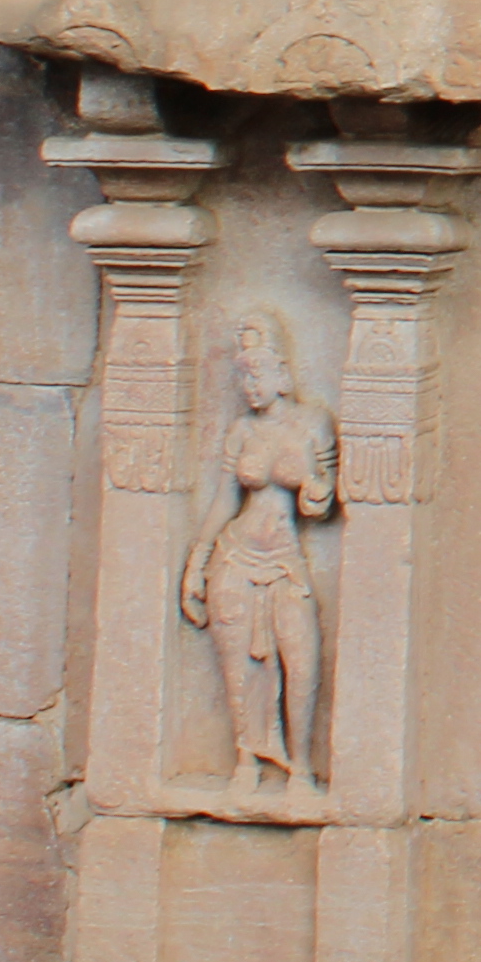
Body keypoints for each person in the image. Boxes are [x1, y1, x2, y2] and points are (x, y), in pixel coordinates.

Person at [185, 321, 338, 787]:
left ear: (282, 375)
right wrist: (197, 560)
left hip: (285, 561)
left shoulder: (312, 425)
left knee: (302, 661)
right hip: (235, 557)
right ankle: (247, 761)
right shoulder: (241, 430)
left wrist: (311, 486)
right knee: (239, 669)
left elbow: (322, 502)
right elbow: (226, 499)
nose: (250, 387)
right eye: (243, 379)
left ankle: (302, 767)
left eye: (258, 375)